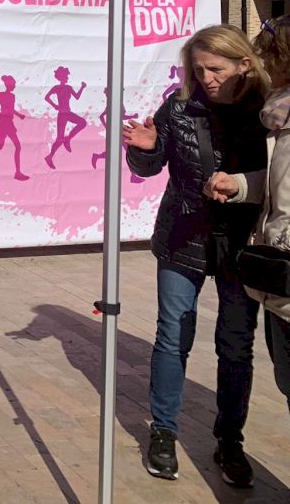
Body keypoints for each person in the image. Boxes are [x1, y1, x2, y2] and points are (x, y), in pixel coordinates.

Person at [123, 25, 268, 487]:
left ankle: (230, 441)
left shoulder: (267, 110)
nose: (206, 78)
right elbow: (152, 165)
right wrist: (144, 151)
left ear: (243, 64)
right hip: (182, 236)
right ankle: (163, 433)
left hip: (242, 244)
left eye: (215, 69)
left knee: (236, 344)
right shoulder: (179, 107)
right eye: (198, 69)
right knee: (172, 335)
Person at [209, 16, 290, 422]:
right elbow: (279, 182)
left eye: (266, 57)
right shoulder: (279, 117)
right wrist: (239, 185)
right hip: (279, 271)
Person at [43, 65, 87, 169]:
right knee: (59, 139)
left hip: (68, 113)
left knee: (82, 122)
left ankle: (68, 139)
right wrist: (55, 106)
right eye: (66, 76)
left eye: (67, 76)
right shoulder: (56, 88)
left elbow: (77, 97)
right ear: (62, 77)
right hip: (62, 115)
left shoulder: (68, 87)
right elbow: (46, 97)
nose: (67, 77)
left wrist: (82, 88)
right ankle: (50, 157)